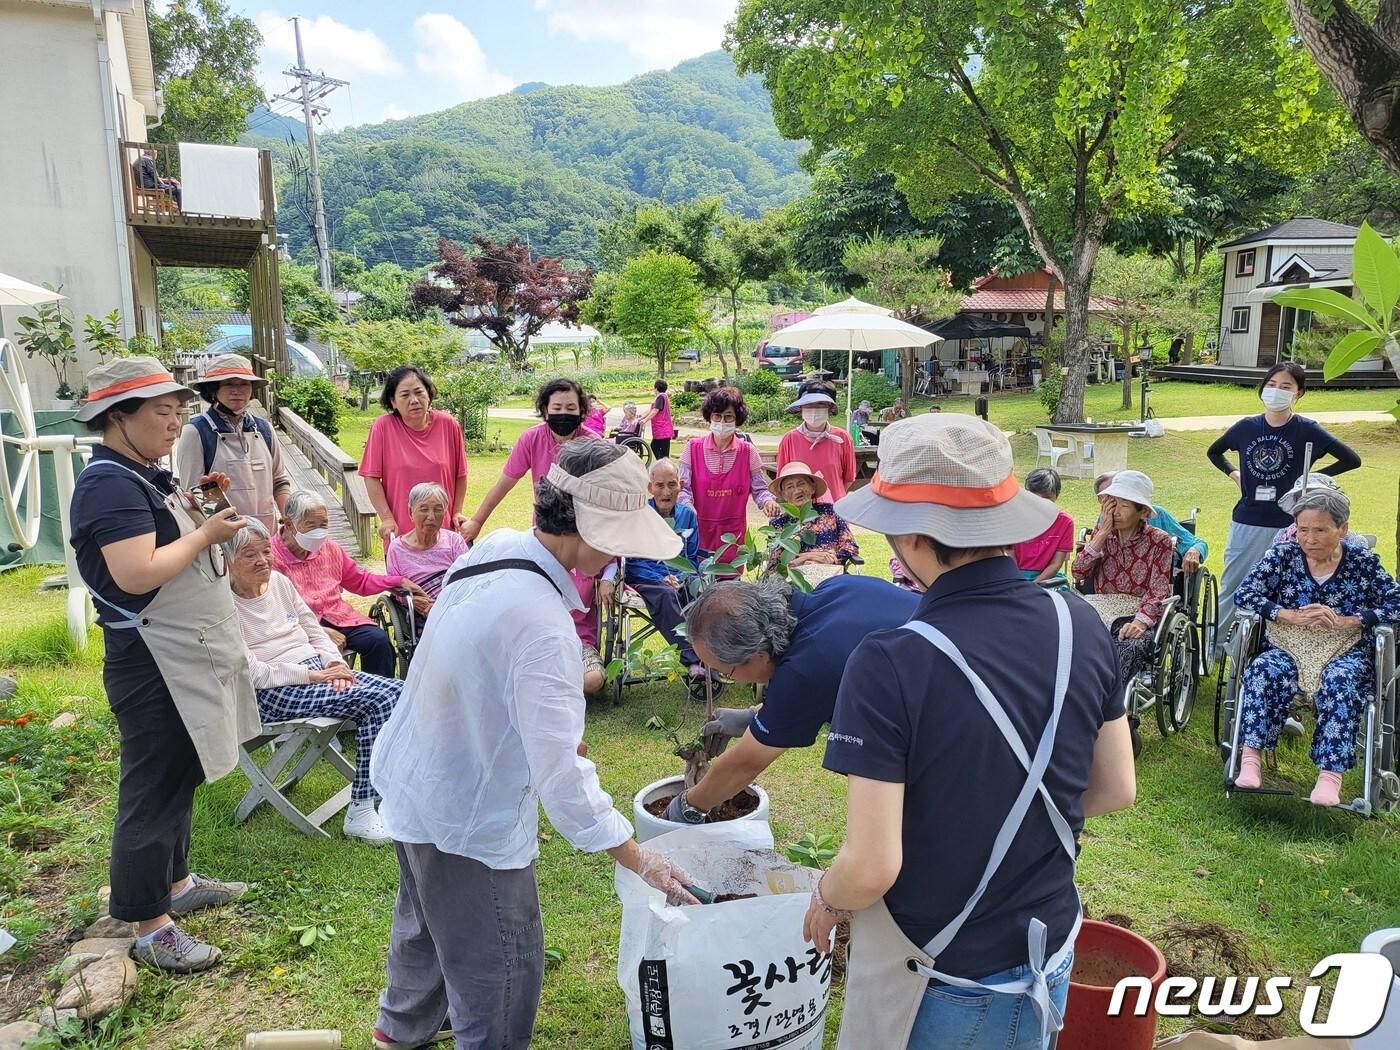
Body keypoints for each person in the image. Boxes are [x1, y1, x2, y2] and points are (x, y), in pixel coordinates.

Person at [802, 413, 1134, 1050]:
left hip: (941, 974)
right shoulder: (1081, 622)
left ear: (914, 536)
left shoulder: (889, 659)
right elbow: (1115, 786)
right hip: (1048, 947)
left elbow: (870, 865)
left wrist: (826, 894)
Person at [369, 441, 698, 1050]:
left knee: (423, 928)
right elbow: (561, 773)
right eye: (620, 533)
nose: (622, 550)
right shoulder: (545, 627)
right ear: (590, 529)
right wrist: (638, 856)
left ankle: (400, 1033)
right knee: (501, 968)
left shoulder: (495, 548)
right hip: (468, 813)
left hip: (415, 777)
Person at [69, 357, 257, 973]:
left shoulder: (144, 472)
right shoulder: (108, 483)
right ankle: (149, 923)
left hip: (183, 649)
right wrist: (204, 538)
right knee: (152, 786)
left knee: (181, 772)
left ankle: (176, 884)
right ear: (115, 417)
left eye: (179, 410)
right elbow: (135, 573)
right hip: (152, 660)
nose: (175, 422)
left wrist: (208, 521)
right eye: (160, 411)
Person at [662, 574, 921, 825]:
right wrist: (755, 716)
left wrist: (688, 806)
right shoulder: (837, 587)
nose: (727, 678)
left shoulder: (807, 669)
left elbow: (743, 765)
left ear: (758, 655)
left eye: (725, 672)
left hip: (944, 723)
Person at [229, 519, 404, 844]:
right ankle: (362, 812)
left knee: (404, 692)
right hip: (273, 692)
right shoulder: (224, 607)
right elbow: (255, 674)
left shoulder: (279, 582)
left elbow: (312, 629)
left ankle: (383, 794)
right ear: (226, 560)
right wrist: (314, 675)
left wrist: (335, 664)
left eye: (266, 551)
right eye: (248, 554)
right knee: (379, 701)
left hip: (316, 671)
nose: (262, 560)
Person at [1231, 486, 1400, 804]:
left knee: (1342, 679)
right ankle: (1250, 758)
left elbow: (1396, 601)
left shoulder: (1361, 562)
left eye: (1320, 530)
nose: (1309, 538)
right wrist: (1285, 614)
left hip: (1343, 647)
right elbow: (1246, 593)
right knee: (1263, 669)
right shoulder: (1283, 556)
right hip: (1288, 643)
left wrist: (1352, 620)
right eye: (1302, 530)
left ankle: (1329, 776)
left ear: (1342, 529)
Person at [1207, 362, 1360, 651]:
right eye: (1272, 384)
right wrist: (1234, 473)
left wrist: (1310, 480)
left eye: (1286, 386)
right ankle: (1217, 649)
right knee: (1235, 585)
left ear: (1298, 393)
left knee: (1280, 590)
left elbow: (1351, 459)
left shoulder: (1307, 430)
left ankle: (1268, 647)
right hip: (1248, 520)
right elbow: (1214, 451)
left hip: (1290, 525)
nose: (1277, 391)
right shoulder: (1246, 427)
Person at [272, 490, 427, 678]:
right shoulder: (271, 558)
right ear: (289, 524)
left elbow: (359, 581)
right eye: (311, 525)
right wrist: (318, 632)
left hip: (337, 615)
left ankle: (377, 698)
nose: (319, 532)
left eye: (324, 524)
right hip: (298, 626)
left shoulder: (330, 548)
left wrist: (397, 581)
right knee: (320, 655)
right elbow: (275, 612)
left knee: (378, 641)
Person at [1072, 471, 1175, 705]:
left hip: (1134, 610)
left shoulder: (1160, 541)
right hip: (1098, 608)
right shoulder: (1103, 534)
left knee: (1129, 645)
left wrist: (1140, 621)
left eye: (1124, 505)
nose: (1115, 511)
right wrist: (1102, 534)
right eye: (1112, 503)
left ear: (1143, 512)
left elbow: (1158, 590)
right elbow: (1078, 572)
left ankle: (1107, 707)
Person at [461, 378, 590, 542]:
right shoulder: (531, 439)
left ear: (581, 411)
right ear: (545, 410)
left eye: (571, 408)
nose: (563, 413)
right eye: (557, 408)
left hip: (584, 532)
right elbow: (504, 484)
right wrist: (477, 521)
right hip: (546, 531)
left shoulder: (592, 444)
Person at [173, 354, 291, 532]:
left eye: (244, 383)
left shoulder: (264, 429)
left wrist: (290, 519)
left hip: (267, 537)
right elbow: (193, 494)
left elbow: (279, 481)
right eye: (229, 384)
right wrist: (231, 529)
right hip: (224, 541)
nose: (238, 390)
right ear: (213, 390)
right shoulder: (196, 432)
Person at [360, 366, 469, 548]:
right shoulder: (383, 427)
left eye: (419, 392)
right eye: (405, 395)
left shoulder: (448, 425)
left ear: (429, 394)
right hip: (401, 535)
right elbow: (371, 477)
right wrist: (386, 518)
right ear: (393, 402)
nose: (414, 400)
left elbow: (461, 474)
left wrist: (457, 512)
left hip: (442, 535)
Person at [678, 386, 782, 568]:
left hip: (732, 535)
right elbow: (683, 489)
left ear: (737, 419)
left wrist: (768, 502)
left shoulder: (748, 452)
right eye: (717, 416)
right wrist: (688, 507)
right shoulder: (692, 448)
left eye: (728, 417)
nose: (721, 421)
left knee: (730, 589)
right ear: (710, 417)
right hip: (698, 529)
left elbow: (760, 489)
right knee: (697, 585)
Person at [621, 459, 703, 674]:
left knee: (702, 588)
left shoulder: (688, 515)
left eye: (671, 484)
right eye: (659, 485)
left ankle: (715, 651)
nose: (666, 491)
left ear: (680, 486)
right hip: (645, 576)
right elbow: (634, 559)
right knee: (666, 594)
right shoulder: (639, 515)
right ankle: (693, 658)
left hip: (678, 577)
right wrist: (662, 576)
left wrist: (679, 576)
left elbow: (690, 557)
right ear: (650, 488)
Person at [1093, 472, 1207, 574]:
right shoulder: (1104, 522)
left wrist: (1194, 550)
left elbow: (1197, 543)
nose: (1114, 502)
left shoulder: (1158, 517)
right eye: (1109, 496)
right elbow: (1086, 564)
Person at [386, 482, 472, 612]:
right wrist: (411, 600)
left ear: (444, 513)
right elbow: (395, 586)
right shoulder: (397, 549)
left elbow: (468, 579)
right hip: (423, 610)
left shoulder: (454, 541)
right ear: (410, 512)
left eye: (437, 510)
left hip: (457, 604)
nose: (431, 517)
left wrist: (444, 605)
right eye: (424, 509)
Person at [765, 461, 859, 571]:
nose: (797, 490)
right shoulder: (779, 523)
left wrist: (833, 558)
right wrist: (808, 557)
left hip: (831, 573)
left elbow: (851, 546)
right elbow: (774, 564)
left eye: (801, 484)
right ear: (783, 495)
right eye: (790, 487)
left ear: (812, 488)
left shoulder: (831, 511)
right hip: (796, 579)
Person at [777, 386, 857, 502]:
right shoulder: (789, 439)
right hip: (801, 509)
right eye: (809, 405)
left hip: (834, 506)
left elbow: (849, 478)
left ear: (829, 408)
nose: (814, 410)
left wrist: (829, 499)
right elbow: (782, 479)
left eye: (820, 405)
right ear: (801, 408)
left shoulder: (842, 438)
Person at [1013, 468, 1073, 583]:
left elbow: (1056, 563)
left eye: (1046, 497)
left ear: (1056, 495)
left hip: (1047, 579)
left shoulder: (1065, 522)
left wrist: (1035, 584)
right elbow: (1010, 556)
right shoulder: (1015, 517)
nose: (1040, 502)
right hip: (1015, 576)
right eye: (1035, 497)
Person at [638, 378, 675, 461]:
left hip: (663, 429)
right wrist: (641, 417)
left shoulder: (661, 397)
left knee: (661, 451)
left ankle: (663, 466)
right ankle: (662, 465)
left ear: (656, 388)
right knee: (655, 446)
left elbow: (655, 411)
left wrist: (645, 420)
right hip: (661, 430)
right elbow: (651, 410)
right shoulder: (661, 397)